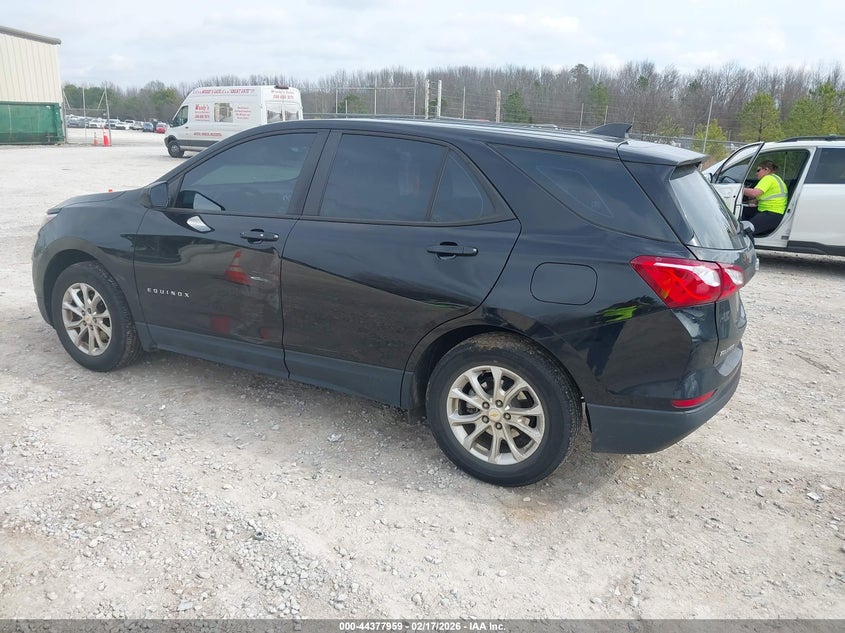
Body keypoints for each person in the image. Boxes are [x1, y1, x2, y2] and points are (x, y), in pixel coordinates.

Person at [741, 160, 788, 235]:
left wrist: (739, 189)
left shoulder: (768, 178)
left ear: (766, 169)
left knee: (745, 231)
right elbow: (765, 197)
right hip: (774, 213)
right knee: (742, 210)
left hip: (771, 214)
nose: (756, 173)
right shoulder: (776, 178)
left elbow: (754, 193)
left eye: (758, 170)